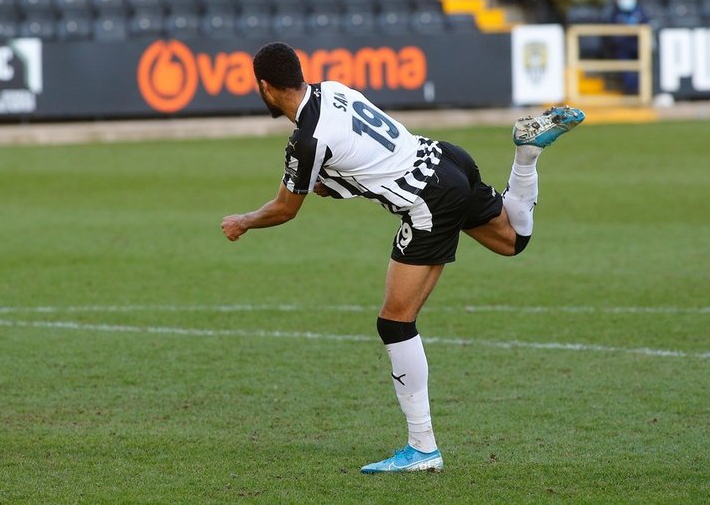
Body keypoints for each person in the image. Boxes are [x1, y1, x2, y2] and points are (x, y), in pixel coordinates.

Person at [221, 42, 584, 473]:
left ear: (264, 87)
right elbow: (362, 159)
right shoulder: (333, 90)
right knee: (512, 241)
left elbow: (285, 208)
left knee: (395, 322)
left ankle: (422, 448)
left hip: (428, 201)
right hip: (447, 159)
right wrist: (331, 185)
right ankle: (527, 154)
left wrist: (243, 220)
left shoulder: (306, 140)